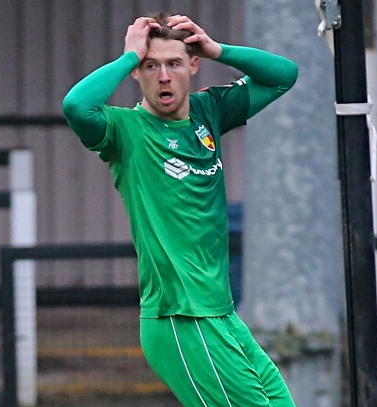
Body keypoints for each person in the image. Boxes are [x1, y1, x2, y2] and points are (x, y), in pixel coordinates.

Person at [62, 11, 298, 407]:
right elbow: (76, 106)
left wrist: (218, 48)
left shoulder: (209, 112)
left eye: (173, 63)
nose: (164, 76)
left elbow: (283, 74)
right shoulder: (126, 132)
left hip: (221, 315)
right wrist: (126, 57)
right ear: (137, 73)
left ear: (193, 66)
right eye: (150, 66)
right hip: (180, 318)